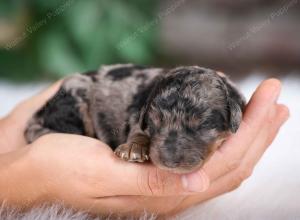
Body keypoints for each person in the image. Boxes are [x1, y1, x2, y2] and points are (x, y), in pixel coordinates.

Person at [0, 78, 289, 218]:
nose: (171, 151)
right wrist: (18, 176)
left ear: (234, 118)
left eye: (199, 125)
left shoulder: (227, 103)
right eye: (158, 122)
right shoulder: (137, 108)